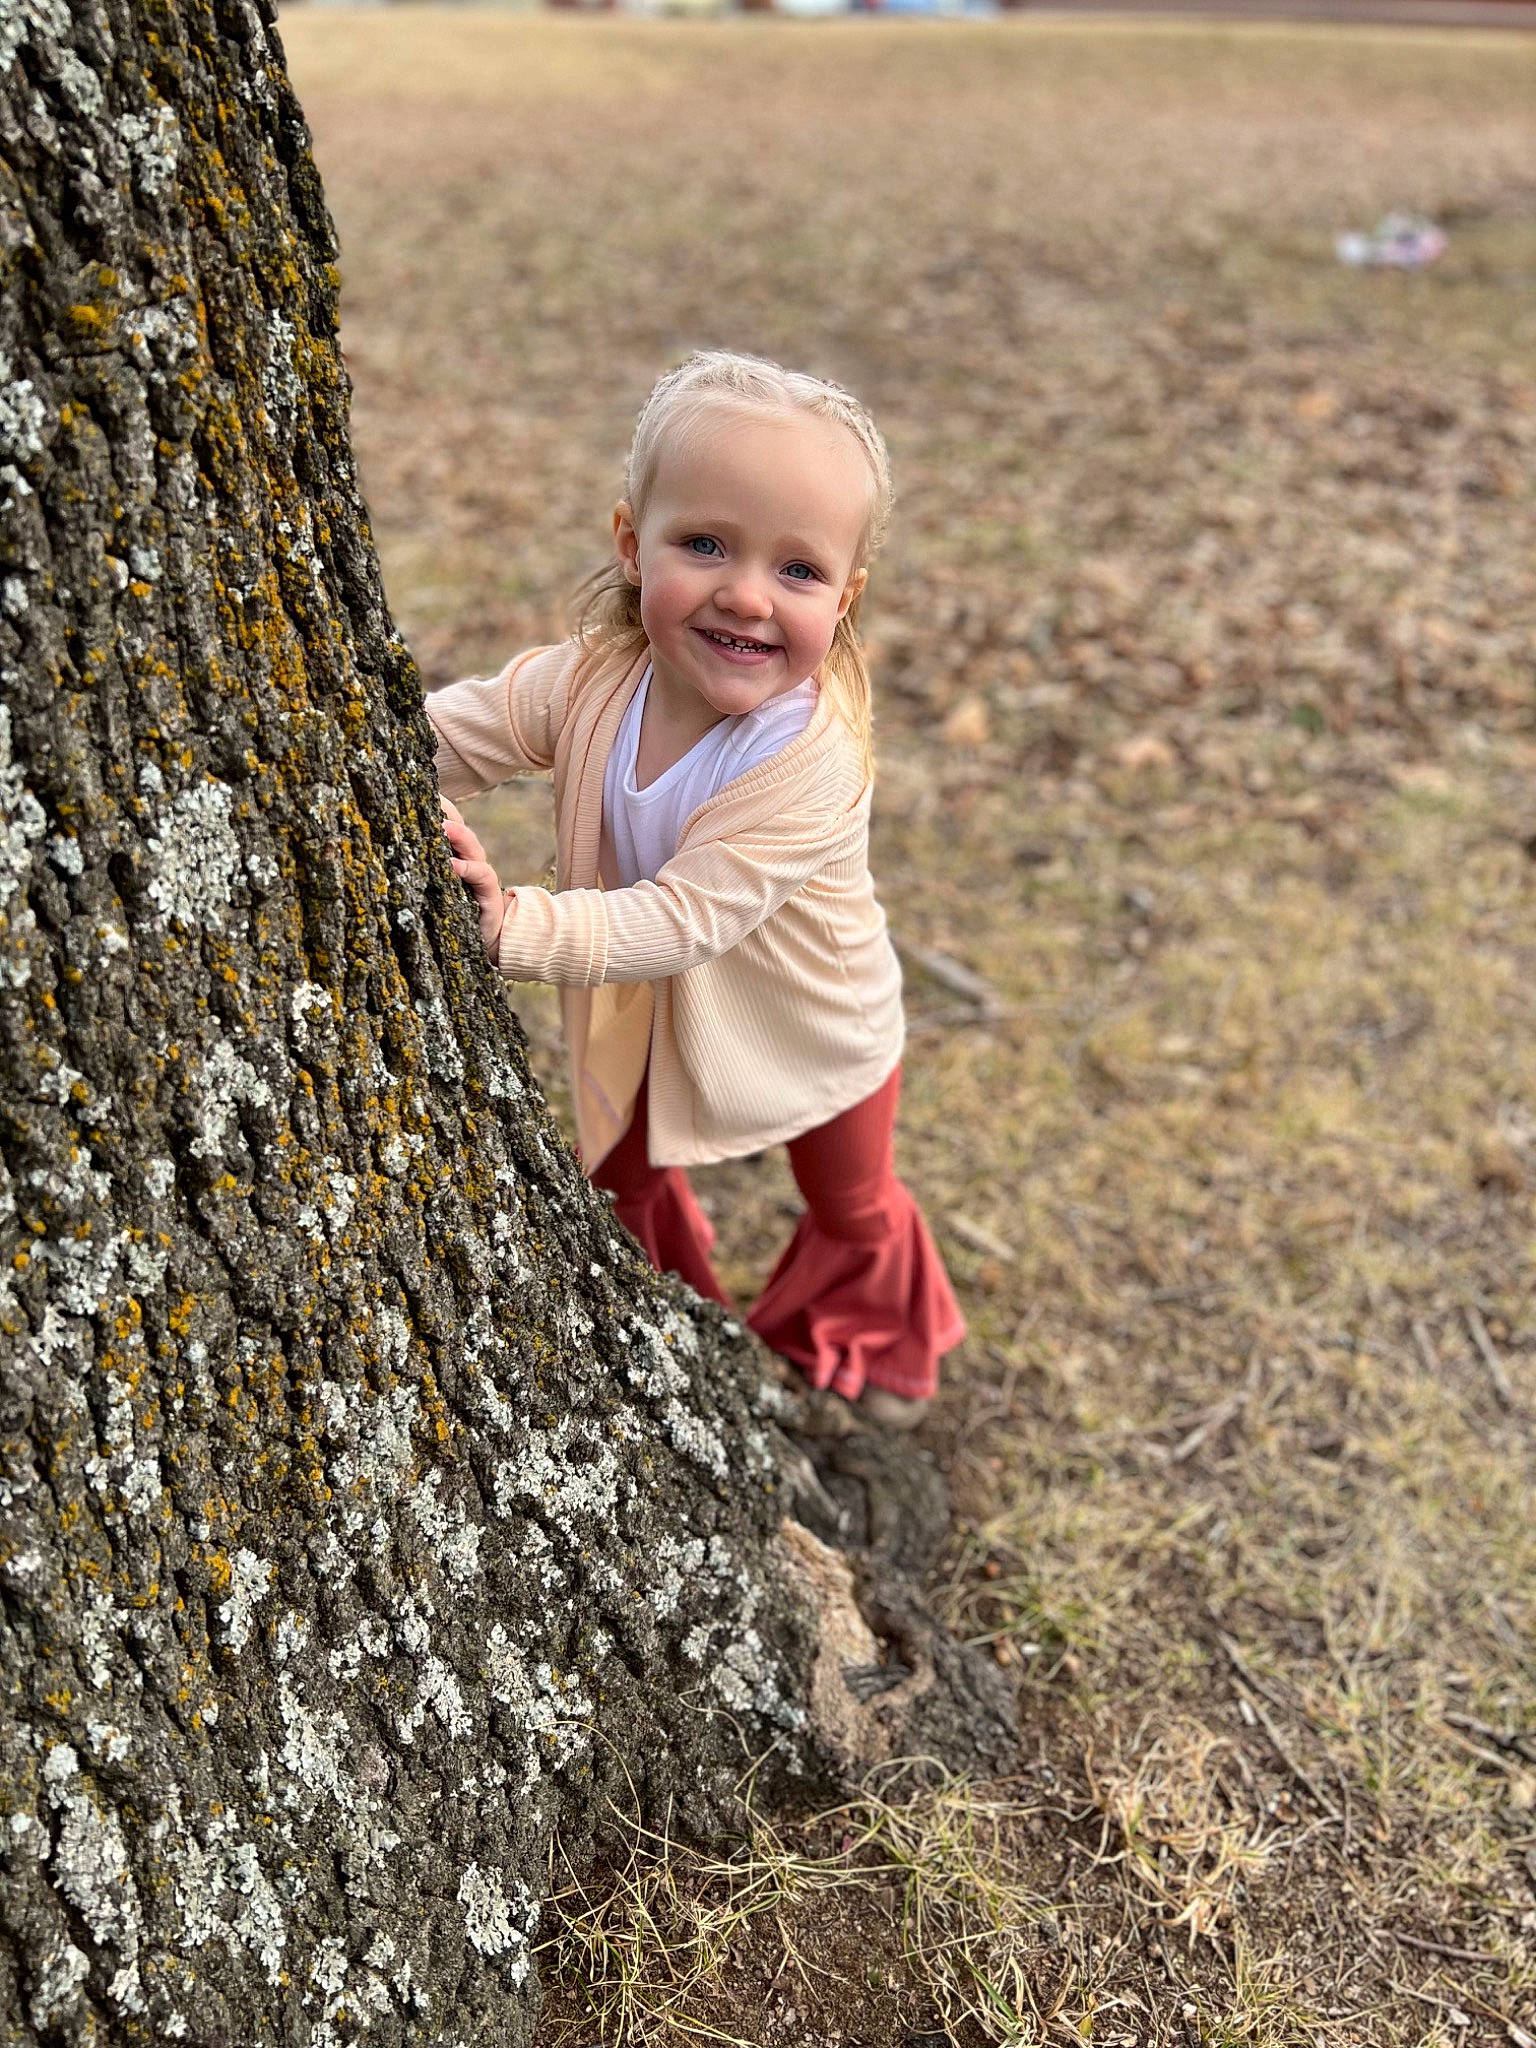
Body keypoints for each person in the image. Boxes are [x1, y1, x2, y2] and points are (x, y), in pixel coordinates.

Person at [429, 349, 963, 1426]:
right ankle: (662, 1305)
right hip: (641, 995)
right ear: (633, 543)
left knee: (850, 1198)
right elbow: (455, 729)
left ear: (846, 597)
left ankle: (875, 1343)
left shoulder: (809, 756)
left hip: (814, 1015)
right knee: (617, 1158)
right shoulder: (590, 679)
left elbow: (687, 914)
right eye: (706, 543)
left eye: (799, 571)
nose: (746, 594)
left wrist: (512, 923)